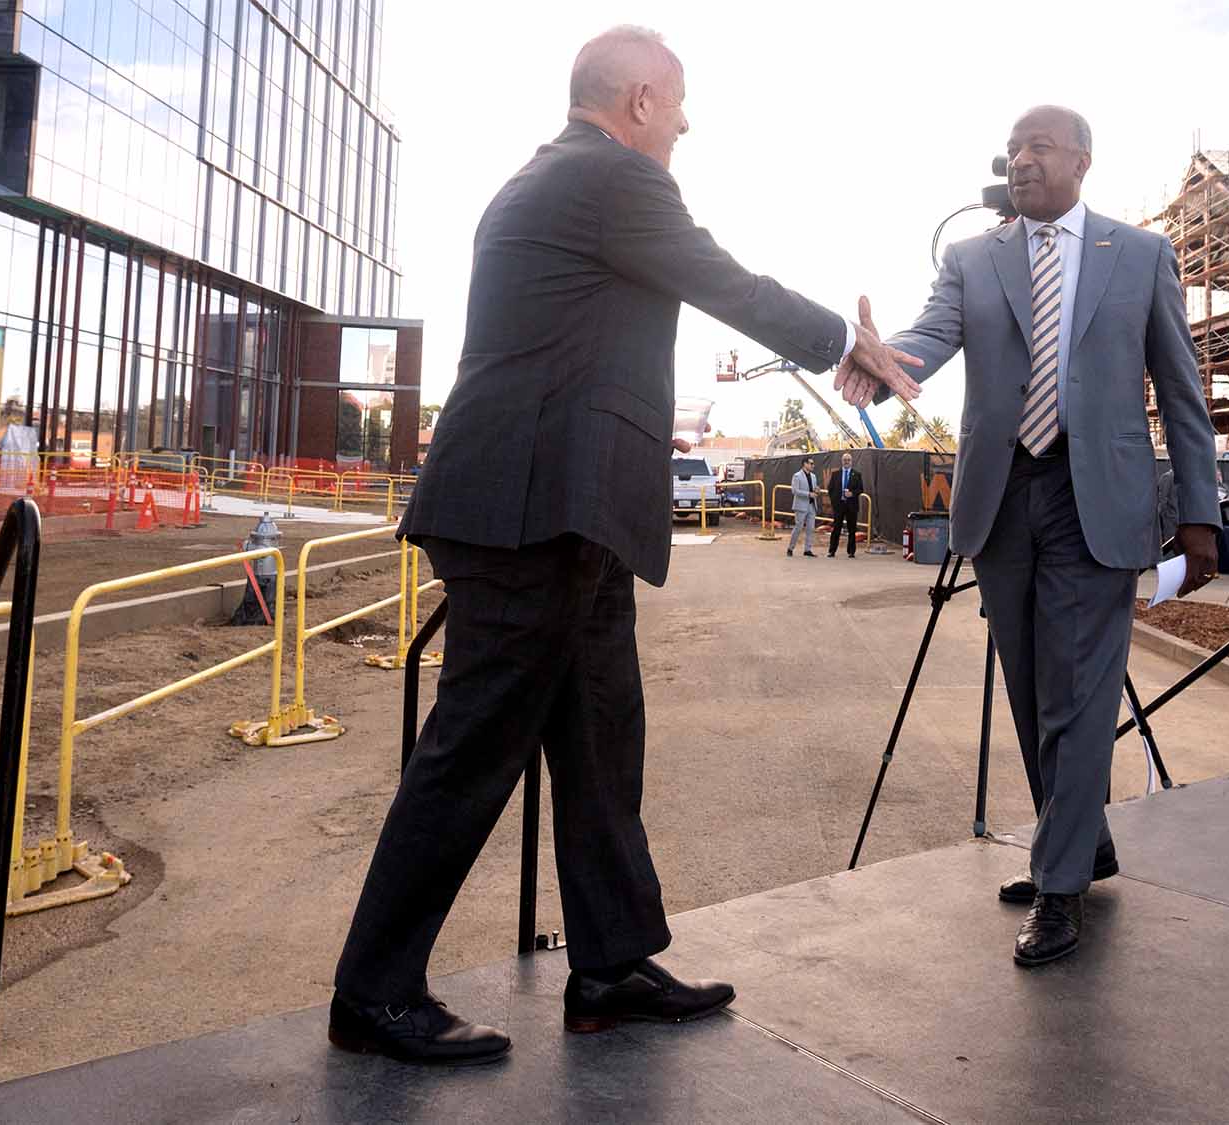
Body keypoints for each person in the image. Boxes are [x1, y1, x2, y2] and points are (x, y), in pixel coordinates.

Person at [328, 24, 923, 1065]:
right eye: (680, 104)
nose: (687, 124)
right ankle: (372, 991)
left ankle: (608, 966)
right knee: (471, 750)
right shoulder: (607, 180)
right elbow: (727, 282)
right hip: (528, 513)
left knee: (603, 738)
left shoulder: (564, 178)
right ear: (640, 99)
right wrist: (846, 343)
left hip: (569, 511)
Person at [841, 106, 1220, 967]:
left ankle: (1059, 889)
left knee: (1078, 695)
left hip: (1101, 502)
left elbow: (1181, 391)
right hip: (1004, 499)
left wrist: (1200, 512)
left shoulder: (1143, 256)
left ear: (1083, 161)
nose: (1020, 162)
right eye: (1012, 151)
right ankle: (1080, 843)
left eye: (1038, 148)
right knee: (1030, 690)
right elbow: (927, 343)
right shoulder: (972, 259)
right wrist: (875, 354)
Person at [826, 451, 865, 557]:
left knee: (852, 529)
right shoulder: (835, 474)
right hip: (839, 506)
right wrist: (835, 503)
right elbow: (830, 489)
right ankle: (832, 550)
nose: (846, 462)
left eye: (848, 460)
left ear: (851, 462)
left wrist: (852, 493)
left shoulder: (856, 474)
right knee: (836, 528)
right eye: (845, 460)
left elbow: (861, 489)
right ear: (841, 461)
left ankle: (851, 552)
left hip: (852, 506)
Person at [787, 456, 819, 557]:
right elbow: (795, 490)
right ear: (805, 464)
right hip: (801, 506)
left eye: (813, 463)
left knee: (811, 528)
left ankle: (807, 550)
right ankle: (790, 548)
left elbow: (813, 489)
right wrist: (809, 494)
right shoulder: (797, 476)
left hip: (811, 505)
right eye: (811, 463)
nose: (813, 465)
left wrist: (817, 490)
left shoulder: (813, 476)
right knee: (798, 527)